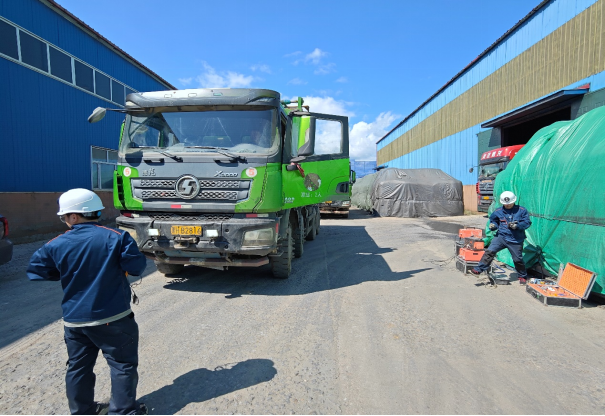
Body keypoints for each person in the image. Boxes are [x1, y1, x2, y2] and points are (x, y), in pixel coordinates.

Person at [27, 189, 148, 415]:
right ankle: (123, 412)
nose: (65, 221)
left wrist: (68, 272)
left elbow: (36, 271)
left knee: (78, 367)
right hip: (114, 317)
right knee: (122, 365)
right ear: (96, 212)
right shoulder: (117, 237)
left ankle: (82, 411)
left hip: (75, 321)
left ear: (74, 216)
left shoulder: (55, 244)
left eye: (64, 216)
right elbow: (137, 267)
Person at [470, 191, 532, 284]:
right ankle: (478, 269)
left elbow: (527, 222)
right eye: (505, 204)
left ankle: (522, 276)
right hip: (501, 237)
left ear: (514, 201)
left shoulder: (522, 210)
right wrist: (493, 226)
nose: (507, 205)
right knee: (490, 251)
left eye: (509, 203)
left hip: (516, 239)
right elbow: (494, 221)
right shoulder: (498, 211)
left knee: (517, 259)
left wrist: (517, 226)